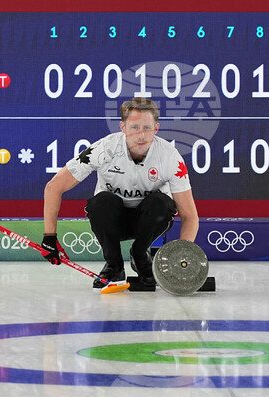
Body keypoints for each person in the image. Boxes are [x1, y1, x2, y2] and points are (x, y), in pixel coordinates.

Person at [41, 98, 199, 287]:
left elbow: (190, 216)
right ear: (123, 127)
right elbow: (53, 187)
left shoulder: (170, 157)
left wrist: (183, 256)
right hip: (112, 222)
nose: (141, 135)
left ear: (156, 129)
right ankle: (114, 265)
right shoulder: (103, 149)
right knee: (101, 202)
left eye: (147, 128)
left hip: (148, 222)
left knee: (162, 203)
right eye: (134, 128)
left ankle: (140, 256)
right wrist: (49, 236)